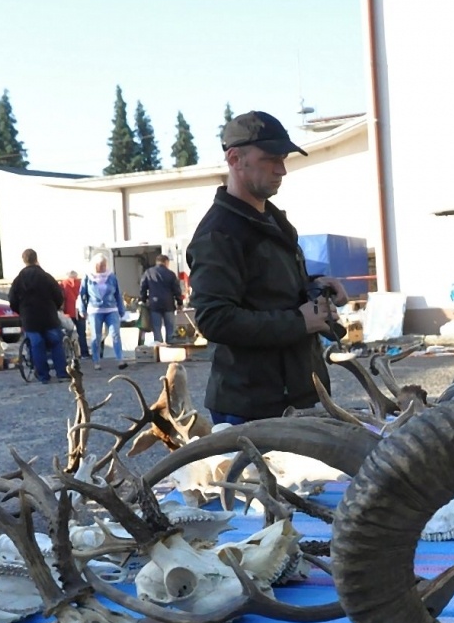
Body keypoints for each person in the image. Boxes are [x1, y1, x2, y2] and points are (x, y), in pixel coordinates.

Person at [187, 110, 346, 423]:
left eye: (283, 158)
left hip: (300, 395)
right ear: (235, 159)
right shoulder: (219, 234)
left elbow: (270, 290)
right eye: (271, 159)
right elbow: (214, 318)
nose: (282, 170)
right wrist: (300, 322)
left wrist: (319, 289)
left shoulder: (272, 220)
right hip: (250, 407)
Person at [8, 248, 70, 384]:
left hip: (30, 319)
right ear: (36, 259)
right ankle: (62, 373)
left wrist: (21, 312)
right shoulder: (47, 277)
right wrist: (55, 307)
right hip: (48, 316)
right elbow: (59, 297)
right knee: (55, 344)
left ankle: (43, 376)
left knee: (36, 346)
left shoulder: (18, 280)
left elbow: (12, 301)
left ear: (24, 261)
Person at [79, 256, 127, 370]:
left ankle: (120, 359)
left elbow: (118, 294)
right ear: (95, 265)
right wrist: (82, 309)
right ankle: (96, 361)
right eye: (100, 265)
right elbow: (82, 294)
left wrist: (121, 310)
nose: (103, 267)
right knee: (96, 337)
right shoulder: (88, 277)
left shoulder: (111, 277)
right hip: (95, 310)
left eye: (104, 265)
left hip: (111, 309)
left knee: (115, 334)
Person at [138, 254, 184, 347]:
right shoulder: (171, 274)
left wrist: (144, 299)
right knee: (170, 329)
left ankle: (159, 349)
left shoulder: (149, 272)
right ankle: (171, 348)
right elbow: (177, 290)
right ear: (166, 262)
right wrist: (180, 303)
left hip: (154, 304)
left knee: (157, 328)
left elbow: (143, 287)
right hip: (168, 304)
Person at [59, 270, 90, 358]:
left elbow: (62, 298)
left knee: (67, 333)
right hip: (80, 311)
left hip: (68, 312)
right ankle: (84, 353)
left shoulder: (63, 284)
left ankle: (70, 354)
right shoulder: (81, 284)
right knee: (82, 334)